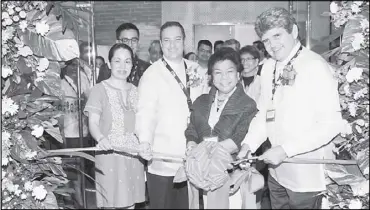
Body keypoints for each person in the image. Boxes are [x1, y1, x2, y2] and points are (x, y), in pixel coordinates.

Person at [237, 7, 343, 209]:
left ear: (294, 31)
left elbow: (331, 124)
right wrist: (248, 144)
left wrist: (286, 150)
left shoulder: (315, 66)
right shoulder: (268, 67)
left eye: (277, 36)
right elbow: (264, 114)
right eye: (266, 40)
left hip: (307, 178)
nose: (272, 45)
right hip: (277, 173)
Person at [136, 21, 203, 209]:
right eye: (167, 40)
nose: (172, 45)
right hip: (163, 156)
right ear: (160, 43)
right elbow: (145, 112)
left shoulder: (197, 69)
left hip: (192, 154)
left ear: (185, 41)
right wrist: (144, 141)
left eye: (177, 39)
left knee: (188, 205)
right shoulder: (152, 74)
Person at [185, 47, 258, 209]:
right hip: (202, 171)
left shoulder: (248, 105)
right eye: (218, 72)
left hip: (232, 173)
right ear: (211, 77)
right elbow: (192, 129)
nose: (224, 78)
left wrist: (205, 151)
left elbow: (240, 137)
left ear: (238, 74)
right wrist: (191, 145)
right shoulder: (201, 101)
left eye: (229, 71)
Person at [84, 43, 146, 209]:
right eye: (117, 61)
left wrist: (144, 143)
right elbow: (93, 123)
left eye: (127, 61)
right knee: (111, 204)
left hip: (133, 156)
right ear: (109, 64)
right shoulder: (99, 90)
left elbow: (140, 125)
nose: (122, 66)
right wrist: (100, 138)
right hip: (109, 154)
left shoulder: (136, 91)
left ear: (132, 66)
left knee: (130, 205)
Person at [60, 41, 93, 208]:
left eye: (75, 63)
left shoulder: (83, 79)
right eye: (69, 64)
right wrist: (61, 137)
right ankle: (75, 201)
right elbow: (58, 114)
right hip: (68, 133)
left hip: (83, 132)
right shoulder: (60, 84)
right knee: (70, 170)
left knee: (80, 167)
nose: (73, 67)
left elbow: (91, 97)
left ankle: (76, 199)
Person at [97, 23, 150, 87]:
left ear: (138, 43)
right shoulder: (106, 69)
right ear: (118, 43)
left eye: (134, 40)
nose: (130, 44)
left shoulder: (148, 69)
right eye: (125, 40)